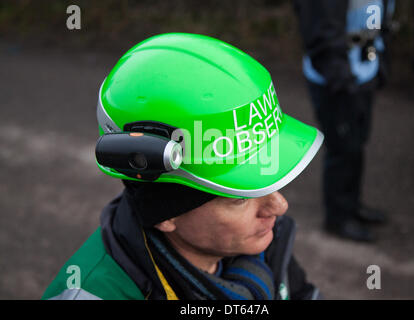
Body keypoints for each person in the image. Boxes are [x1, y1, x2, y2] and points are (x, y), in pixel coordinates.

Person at [42, 33, 324, 300]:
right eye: (240, 196)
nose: (278, 206)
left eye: (264, 180)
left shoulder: (265, 245)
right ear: (165, 214)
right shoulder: (94, 293)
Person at [294, 0, 393, 242]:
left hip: (363, 69)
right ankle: (338, 218)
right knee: (342, 147)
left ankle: (352, 205)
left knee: (357, 143)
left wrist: (380, 62)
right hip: (338, 80)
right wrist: (343, 82)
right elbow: (320, 37)